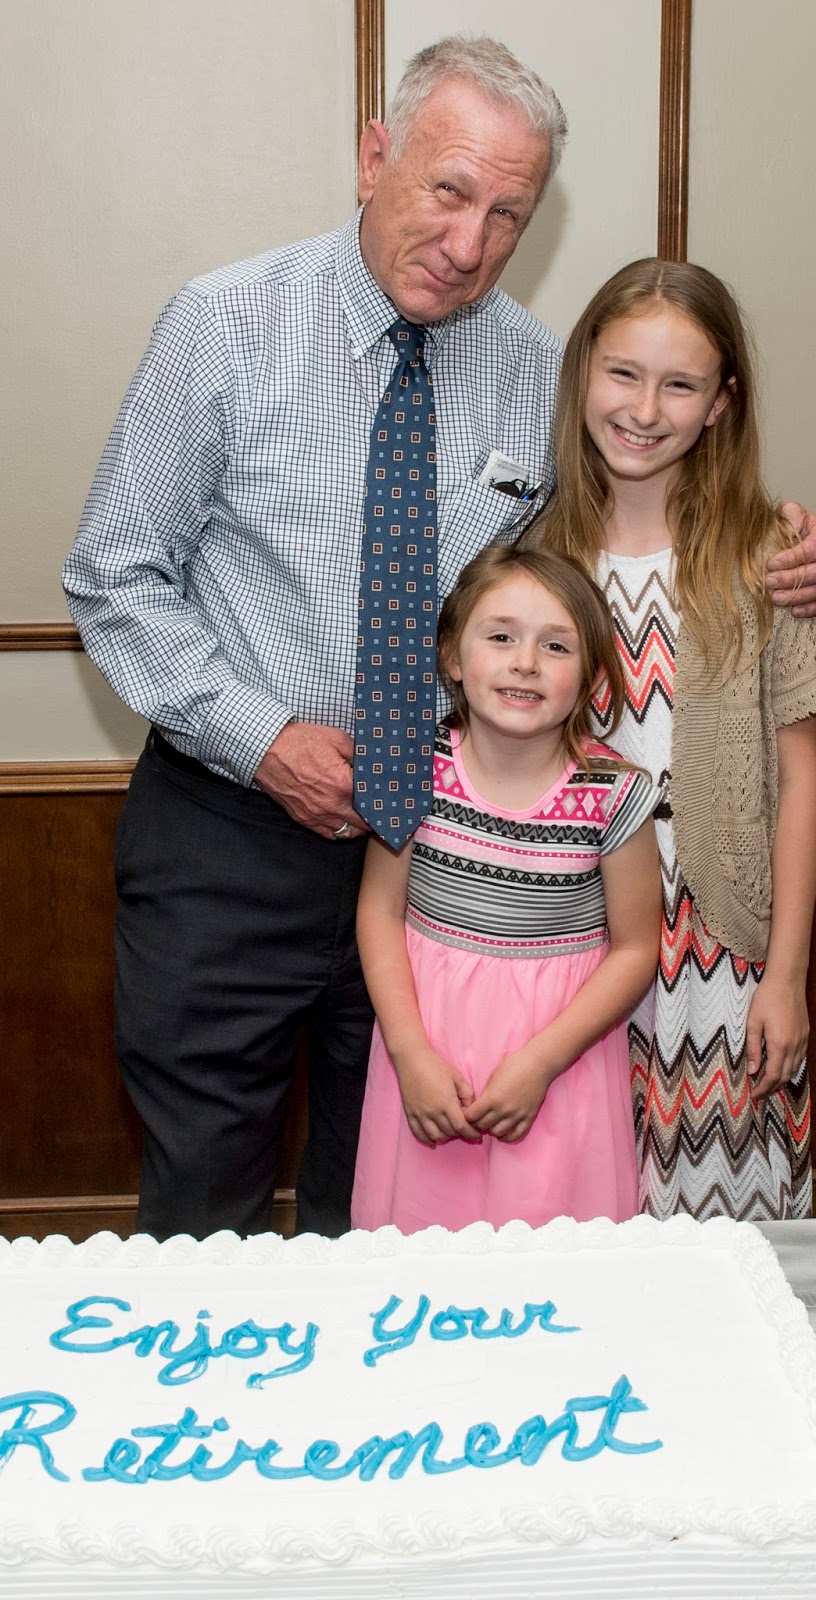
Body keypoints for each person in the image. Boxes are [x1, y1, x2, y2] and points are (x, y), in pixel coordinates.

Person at [61, 37, 569, 1241]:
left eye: (506, 215)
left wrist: (773, 552)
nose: (468, 245)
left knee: (390, 1213)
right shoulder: (224, 324)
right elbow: (113, 572)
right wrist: (265, 738)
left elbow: (604, 565)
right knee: (204, 1215)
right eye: (448, 190)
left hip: (438, 860)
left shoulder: (538, 374)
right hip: (223, 846)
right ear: (373, 157)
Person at [523, 259, 816, 1220]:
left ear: (722, 402)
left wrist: (786, 975)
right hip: (573, 945)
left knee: (731, 1232)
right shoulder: (535, 560)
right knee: (582, 1214)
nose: (645, 410)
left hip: (722, 952)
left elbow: (801, 780)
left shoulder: (769, 559)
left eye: (680, 384)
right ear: (582, 372)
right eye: (623, 373)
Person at [351, 544, 662, 1233]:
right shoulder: (412, 771)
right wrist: (410, 1053)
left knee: (549, 1257)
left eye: (556, 646)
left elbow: (636, 948)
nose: (526, 662)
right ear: (451, 657)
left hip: (557, 1070)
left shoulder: (614, 794)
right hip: (427, 1060)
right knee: (422, 1249)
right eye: (500, 637)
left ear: (591, 676)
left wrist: (541, 1064)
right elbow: (379, 912)